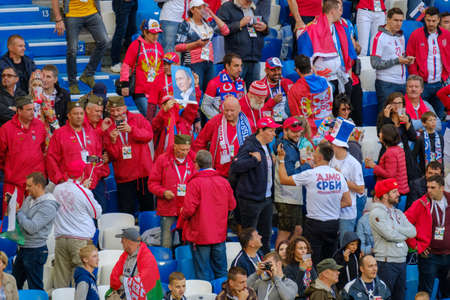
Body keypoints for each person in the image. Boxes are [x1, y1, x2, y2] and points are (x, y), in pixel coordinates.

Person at [277, 142, 351, 265]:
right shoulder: (339, 176)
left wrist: (281, 159)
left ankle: (310, 282)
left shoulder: (311, 174)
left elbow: (284, 179)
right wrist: (329, 206)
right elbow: (348, 201)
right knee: (329, 262)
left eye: (315, 152)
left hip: (314, 225)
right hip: (333, 224)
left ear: (319, 157)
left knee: (309, 261)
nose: (313, 154)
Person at [179, 150, 236, 281]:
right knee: (221, 273)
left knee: (202, 274)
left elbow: (188, 210)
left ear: (197, 165)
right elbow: (232, 205)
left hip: (201, 236)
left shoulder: (195, 183)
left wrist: (182, 211)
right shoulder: (223, 182)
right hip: (219, 235)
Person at [230, 117, 280, 254]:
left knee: (265, 235)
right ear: (261, 130)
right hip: (251, 199)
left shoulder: (266, 146)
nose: (274, 134)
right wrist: (253, 160)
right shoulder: (249, 146)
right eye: (271, 131)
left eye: (275, 130)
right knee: (250, 236)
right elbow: (235, 166)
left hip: (266, 198)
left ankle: (265, 264)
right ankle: (248, 263)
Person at [52, 160, 102, 288]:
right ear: (82, 173)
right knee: (81, 279)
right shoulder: (83, 191)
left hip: (61, 238)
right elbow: (97, 213)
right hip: (80, 240)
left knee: (60, 279)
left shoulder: (57, 189)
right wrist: (84, 189)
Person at [103, 96, 155, 214]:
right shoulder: (107, 126)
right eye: (112, 110)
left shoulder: (137, 118)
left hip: (143, 174)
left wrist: (132, 130)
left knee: (148, 209)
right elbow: (113, 156)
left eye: (118, 110)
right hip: (124, 177)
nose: (115, 114)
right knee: (126, 213)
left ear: (125, 108)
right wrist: (112, 141)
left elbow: (148, 136)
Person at [297, 0, 357, 98]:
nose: (341, 13)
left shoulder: (341, 28)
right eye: (339, 9)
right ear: (333, 11)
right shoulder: (310, 30)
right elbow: (305, 61)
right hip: (322, 81)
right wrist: (315, 81)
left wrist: (349, 78)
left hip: (340, 77)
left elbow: (348, 56)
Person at [369, 178, 416, 300]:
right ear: (385, 195)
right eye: (394, 191)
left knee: (400, 297)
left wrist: (396, 227)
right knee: (385, 297)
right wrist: (403, 234)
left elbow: (413, 231)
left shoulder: (399, 212)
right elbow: (390, 235)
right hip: (386, 263)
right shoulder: (376, 213)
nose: (398, 194)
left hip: (401, 261)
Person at [12, 172, 58, 290]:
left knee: (35, 287)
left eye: (29, 186)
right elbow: (23, 221)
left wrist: (18, 212)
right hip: (23, 247)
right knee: (13, 285)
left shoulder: (48, 206)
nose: (26, 189)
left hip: (35, 251)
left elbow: (31, 227)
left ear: (38, 186)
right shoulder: (29, 198)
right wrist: (14, 207)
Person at [0, 96, 46, 215]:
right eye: (28, 110)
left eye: (33, 109)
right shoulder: (6, 129)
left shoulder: (40, 126)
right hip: (14, 182)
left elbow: (43, 149)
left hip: (36, 183)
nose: (32, 113)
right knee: (10, 218)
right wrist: (9, 170)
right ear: (19, 111)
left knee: (36, 218)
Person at [51, 0, 108, 94]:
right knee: (72, 49)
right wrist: (58, 19)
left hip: (92, 12)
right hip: (73, 14)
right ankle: (72, 82)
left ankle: (88, 74)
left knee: (104, 41)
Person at [148, 134, 196, 248]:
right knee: (166, 242)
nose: (185, 152)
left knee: (187, 243)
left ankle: (185, 264)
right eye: (182, 149)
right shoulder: (163, 160)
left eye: (187, 149)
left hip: (187, 209)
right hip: (168, 208)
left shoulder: (194, 161)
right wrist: (163, 192)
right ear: (175, 146)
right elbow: (152, 183)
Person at [46, 100, 105, 190]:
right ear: (69, 115)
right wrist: (60, 180)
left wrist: (94, 178)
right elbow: (51, 159)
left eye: (81, 113)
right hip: (69, 186)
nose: (79, 116)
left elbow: (97, 157)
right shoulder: (59, 134)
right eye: (75, 114)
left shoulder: (92, 133)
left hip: (92, 184)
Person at [408, 175, 450, 296]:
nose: (429, 190)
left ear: (442, 188)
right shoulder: (421, 203)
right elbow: (404, 224)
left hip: (448, 255)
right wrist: (416, 245)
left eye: (433, 187)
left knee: (447, 292)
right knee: (426, 291)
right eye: (428, 187)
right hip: (430, 256)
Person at [175, 0, 229, 92]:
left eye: (203, 8)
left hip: (209, 62)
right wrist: (196, 44)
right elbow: (177, 47)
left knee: (211, 90)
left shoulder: (208, 24)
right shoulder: (185, 24)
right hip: (192, 63)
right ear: (192, 10)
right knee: (194, 91)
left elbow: (226, 30)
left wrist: (212, 14)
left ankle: (205, 107)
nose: (202, 11)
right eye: (199, 8)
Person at [406, 7, 450, 121]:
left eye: (434, 21)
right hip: (423, 84)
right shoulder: (416, 35)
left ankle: (437, 138)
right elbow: (410, 58)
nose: (431, 23)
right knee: (421, 117)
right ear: (424, 19)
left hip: (440, 83)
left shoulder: (446, 35)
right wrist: (417, 79)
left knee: (439, 116)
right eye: (428, 20)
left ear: (438, 20)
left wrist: (446, 74)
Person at [193, 96, 252, 178]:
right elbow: (200, 142)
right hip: (218, 173)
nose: (229, 113)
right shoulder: (215, 121)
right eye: (226, 110)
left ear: (239, 109)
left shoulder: (248, 124)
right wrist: (198, 163)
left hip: (242, 173)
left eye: (232, 110)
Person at [274, 117, 311, 246]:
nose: (297, 134)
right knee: (284, 233)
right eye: (294, 131)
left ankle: (286, 258)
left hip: (292, 197)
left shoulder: (288, 145)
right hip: (286, 198)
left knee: (297, 230)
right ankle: (279, 261)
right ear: (285, 131)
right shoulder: (286, 148)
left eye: (299, 131)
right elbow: (289, 175)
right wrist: (307, 166)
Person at [327, 118, 365, 245]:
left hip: (347, 213)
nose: (330, 145)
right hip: (332, 210)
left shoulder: (353, 164)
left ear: (338, 145)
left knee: (345, 246)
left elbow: (360, 188)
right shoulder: (331, 159)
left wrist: (341, 178)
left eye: (331, 143)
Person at [217, 0, 269, 87]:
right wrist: (239, 24)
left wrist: (265, 28)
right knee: (233, 93)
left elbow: (265, 29)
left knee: (254, 94)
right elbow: (219, 29)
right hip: (235, 61)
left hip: (254, 59)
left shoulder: (255, 8)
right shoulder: (227, 7)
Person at [118, 19, 164, 118]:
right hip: (140, 91)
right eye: (152, 33)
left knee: (157, 120)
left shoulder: (159, 47)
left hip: (156, 91)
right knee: (152, 118)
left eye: (157, 33)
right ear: (145, 32)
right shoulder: (135, 45)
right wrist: (125, 84)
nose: (156, 36)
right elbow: (126, 66)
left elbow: (161, 68)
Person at [371, 7, 413, 111]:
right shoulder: (379, 37)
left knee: (399, 117)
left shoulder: (400, 36)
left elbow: (398, 56)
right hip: (386, 83)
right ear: (388, 19)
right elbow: (375, 63)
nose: (399, 23)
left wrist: (407, 60)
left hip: (401, 82)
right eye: (395, 20)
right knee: (386, 117)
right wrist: (397, 61)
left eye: (401, 20)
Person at [376, 92, 420, 182]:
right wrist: (387, 118)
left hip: (404, 154)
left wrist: (407, 123)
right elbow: (381, 135)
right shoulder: (383, 117)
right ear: (389, 104)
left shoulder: (405, 116)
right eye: (394, 103)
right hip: (388, 154)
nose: (397, 106)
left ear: (403, 105)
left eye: (399, 103)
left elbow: (413, 137)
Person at [109, 228, 164, 298]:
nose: (121, 242)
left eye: (122, 240)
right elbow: (114, 277)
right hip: (124, 294)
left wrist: (123, 279)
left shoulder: (147, 257)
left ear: (129, 241)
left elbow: (142, 282)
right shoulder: (124, 256)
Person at [287, 54, 333, 135]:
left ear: (297, 70)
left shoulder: (294, 90)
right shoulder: (325, 82)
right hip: (327, 127)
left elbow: (295, 115)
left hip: (309, 132)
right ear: (311, 67)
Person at [365, 124, 410, 195]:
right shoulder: (399, 149)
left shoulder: (390, 152)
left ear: (386, 135)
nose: (379, 134)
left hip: (393, 192)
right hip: (400, 189)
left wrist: (374, 166)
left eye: (381, 132)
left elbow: (390, 174)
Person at [152, 93, 199, 159]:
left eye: (173, 103)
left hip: (185, 159)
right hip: (165, 159)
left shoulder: (185, 119)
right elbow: (154, 127)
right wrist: (163, 112)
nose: (170, 106)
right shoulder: (161, 120)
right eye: (166, 103)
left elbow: (192, 107)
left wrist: (195, 90)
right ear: (162, 106)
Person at [201, 53, 246, 120]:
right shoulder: (214, 83)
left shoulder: (241, 83)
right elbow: (204, 106)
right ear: (227, 66)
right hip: (220, 125)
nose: (240, 70)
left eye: (240, 66)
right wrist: (219, 120)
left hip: (237, 124)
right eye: (236, 66)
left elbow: (243, 105)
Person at [263, 57, 294, 123]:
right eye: (273, 70)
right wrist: (273, 101)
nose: (277, 73)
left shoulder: (288, 82)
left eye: (279, 69)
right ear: (266, 70)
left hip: (288, 120)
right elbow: (258, 110)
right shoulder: (261, 86)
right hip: (271, 122)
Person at [109, 0, 137, 73]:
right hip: (122, 3)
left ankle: (129, 62)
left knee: (131, 31)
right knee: (120, 31)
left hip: (133, 2)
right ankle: (115, 62)